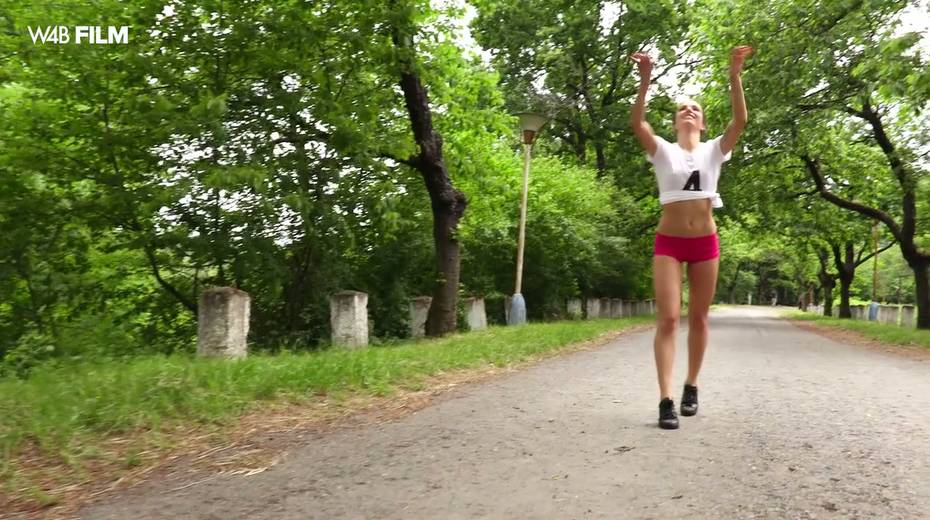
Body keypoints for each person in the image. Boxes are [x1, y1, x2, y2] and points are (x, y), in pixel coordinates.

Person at [629, 45, 753, 430]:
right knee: (668, 318)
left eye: (695, 108)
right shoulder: (662, 151)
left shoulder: (714, 151)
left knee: (698, 317)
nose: (688, 110)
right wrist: (645, 82)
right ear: (674, 122)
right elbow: (638, 123)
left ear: (702, 123)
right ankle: (665, 398)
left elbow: (740, 121)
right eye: (682, 108)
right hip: (668, 243)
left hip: (704, 244)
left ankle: (691, 385)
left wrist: (734, 75)